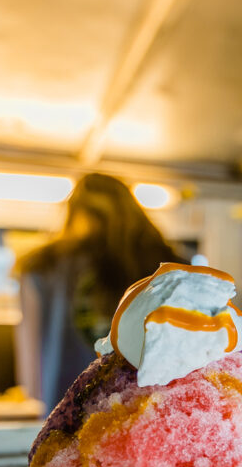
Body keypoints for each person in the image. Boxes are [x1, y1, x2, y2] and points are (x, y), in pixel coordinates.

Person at [14, 173, 184, 410]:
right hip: (149, 413)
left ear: (75, 213)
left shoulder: (42, 267)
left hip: (66, 415)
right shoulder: (170, 265)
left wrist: (35, 406)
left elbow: (30, 369)